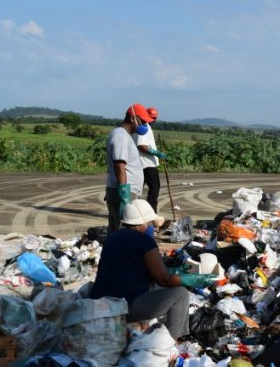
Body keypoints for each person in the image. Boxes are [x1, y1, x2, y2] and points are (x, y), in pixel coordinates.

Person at [90, 199, 215, 339]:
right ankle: (170, 343)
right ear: (143, 223)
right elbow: (163, 280)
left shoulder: (112, 237)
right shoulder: (144, 241)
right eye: (151, 223)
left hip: (99, 303)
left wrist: (176, 271)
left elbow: (140, 271)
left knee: (145, 286)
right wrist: (192, 280)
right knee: (181, 294)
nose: (154, 227)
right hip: (122, 307)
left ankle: (144, 327)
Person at [105, 103, 153, 234]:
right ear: (132, 118)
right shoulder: (120, 136)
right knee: (122, 231)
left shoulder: (126, 136)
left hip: (126, 191)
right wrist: (124, 196)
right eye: (142, 121)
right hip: (123, 192)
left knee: (121, 231)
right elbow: (119, 167)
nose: (145, 125)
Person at [133, 106, 167, 214]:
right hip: (146, 163)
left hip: (142, 163)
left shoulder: (142, 126)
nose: (153, 120)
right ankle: (151, 213)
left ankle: (135, 211)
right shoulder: (144, 127)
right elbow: (141, 145)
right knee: (154, 187)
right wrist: (156, 152)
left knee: (138, 189)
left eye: (154, 118)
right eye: (151, 117)